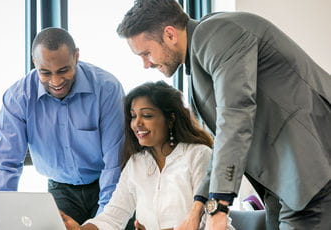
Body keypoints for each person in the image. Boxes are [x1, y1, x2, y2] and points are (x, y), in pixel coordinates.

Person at [117, 0, 331, 229]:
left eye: (146, 53)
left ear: (169, 34)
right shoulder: (200, 60)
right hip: (287, 186)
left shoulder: (216, 33)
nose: (146, 64)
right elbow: (222, 146)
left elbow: (236, 116)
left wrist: (219, 207)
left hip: (312, 168)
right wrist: (196, 211)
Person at [0, 27, 125, 224]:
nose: (56, 81)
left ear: (76, 57)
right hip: (60, 189)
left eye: (63, 70)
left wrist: (104, 223)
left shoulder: (107, 88)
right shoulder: (18, 98)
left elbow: (114, 164)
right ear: (35, 63)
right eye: (45, 73)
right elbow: (6, 163)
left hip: (108, 184)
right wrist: (7, 219)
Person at [61, 81, 234, 230]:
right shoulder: (136, 163)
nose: (137, 123)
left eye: (147, 115)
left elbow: (206, 221)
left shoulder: (198, 155)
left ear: (171, 119)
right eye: (133, 116)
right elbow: (113, 217)